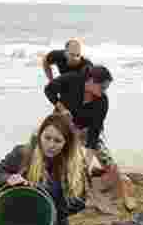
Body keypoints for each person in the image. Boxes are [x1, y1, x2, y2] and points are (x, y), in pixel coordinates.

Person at [44, 65, 134, 212]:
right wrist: (62, 108)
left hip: (86, 132)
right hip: (62, 126)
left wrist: (90, 155)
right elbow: (49, 90)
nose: (104, 91)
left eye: (106, 88)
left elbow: (95, 130)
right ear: (91, 81)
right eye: (102, 87)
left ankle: (125, 195)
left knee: (106, 161)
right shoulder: (72, 79)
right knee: (53, 157)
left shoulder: (102, 102)